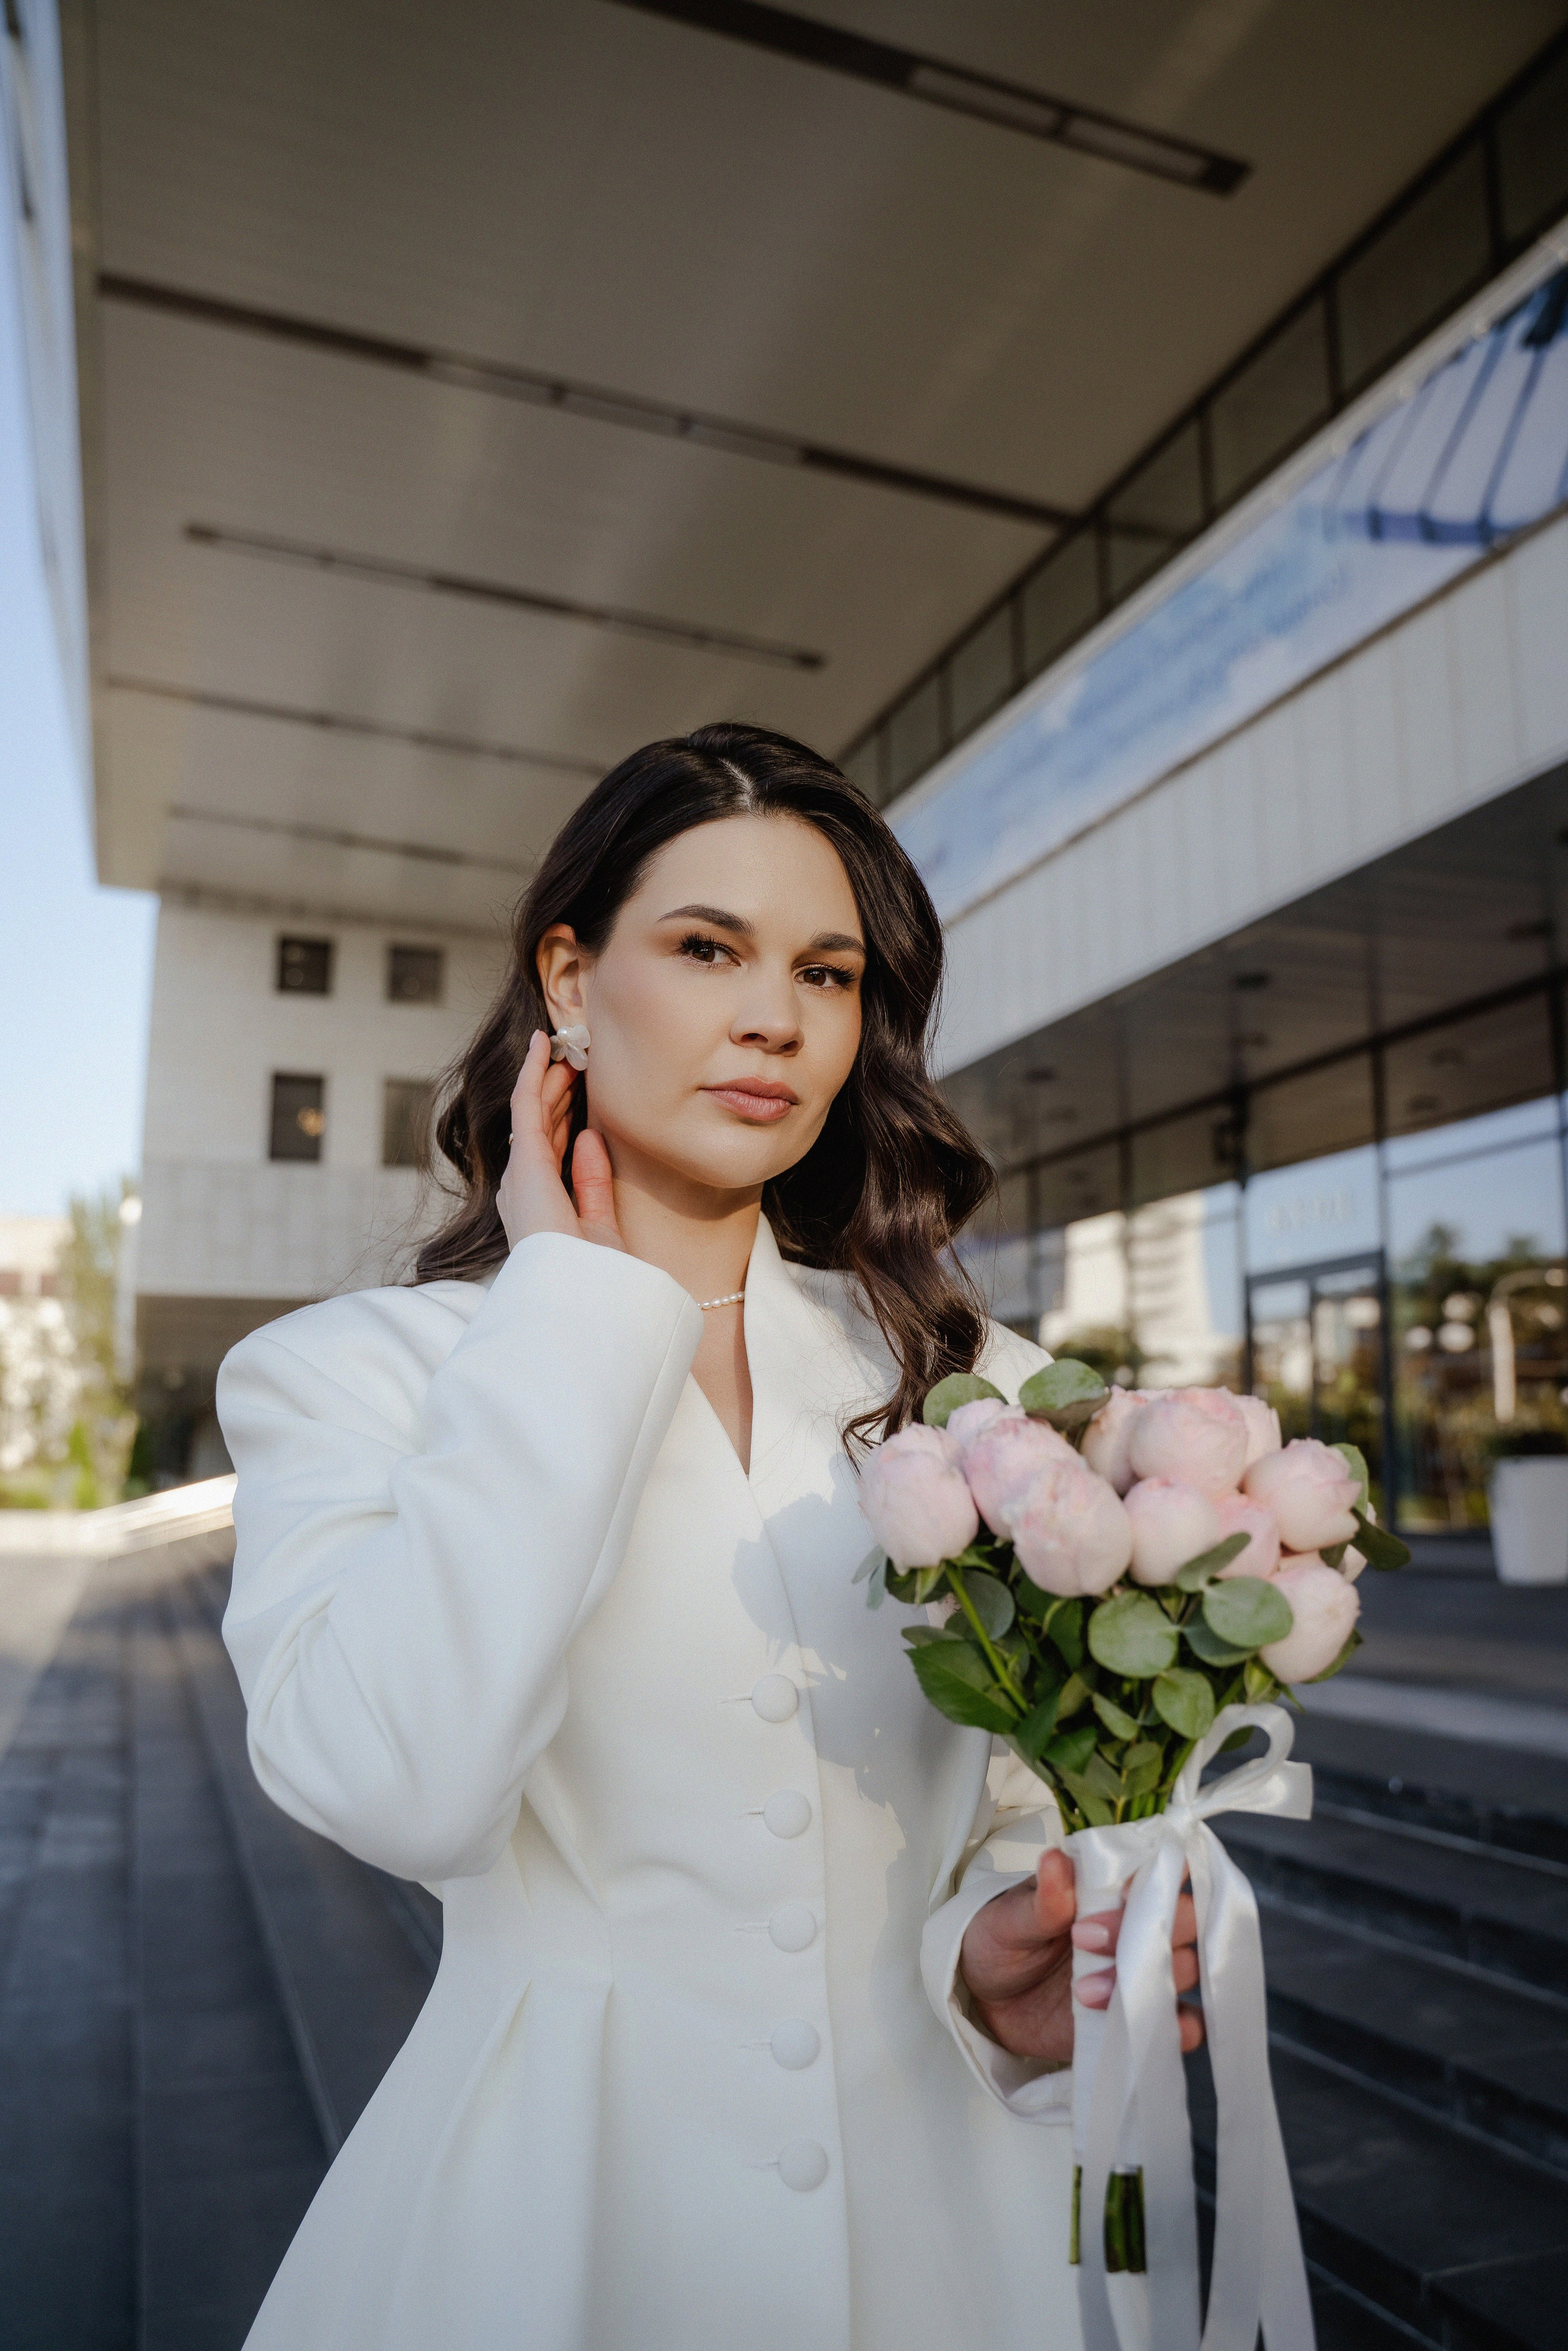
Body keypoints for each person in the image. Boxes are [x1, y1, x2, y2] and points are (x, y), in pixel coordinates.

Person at [217, 722, 1201, 2351]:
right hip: (557, 2228)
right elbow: (399, 1786)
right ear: (570, 979)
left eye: (827, 974)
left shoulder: (980, 1390)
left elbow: (1020, 1812)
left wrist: (999, 1960)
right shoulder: (354, 1376)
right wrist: (575, 1313)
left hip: (952, 2238)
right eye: (705, 948)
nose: (775, 1018)